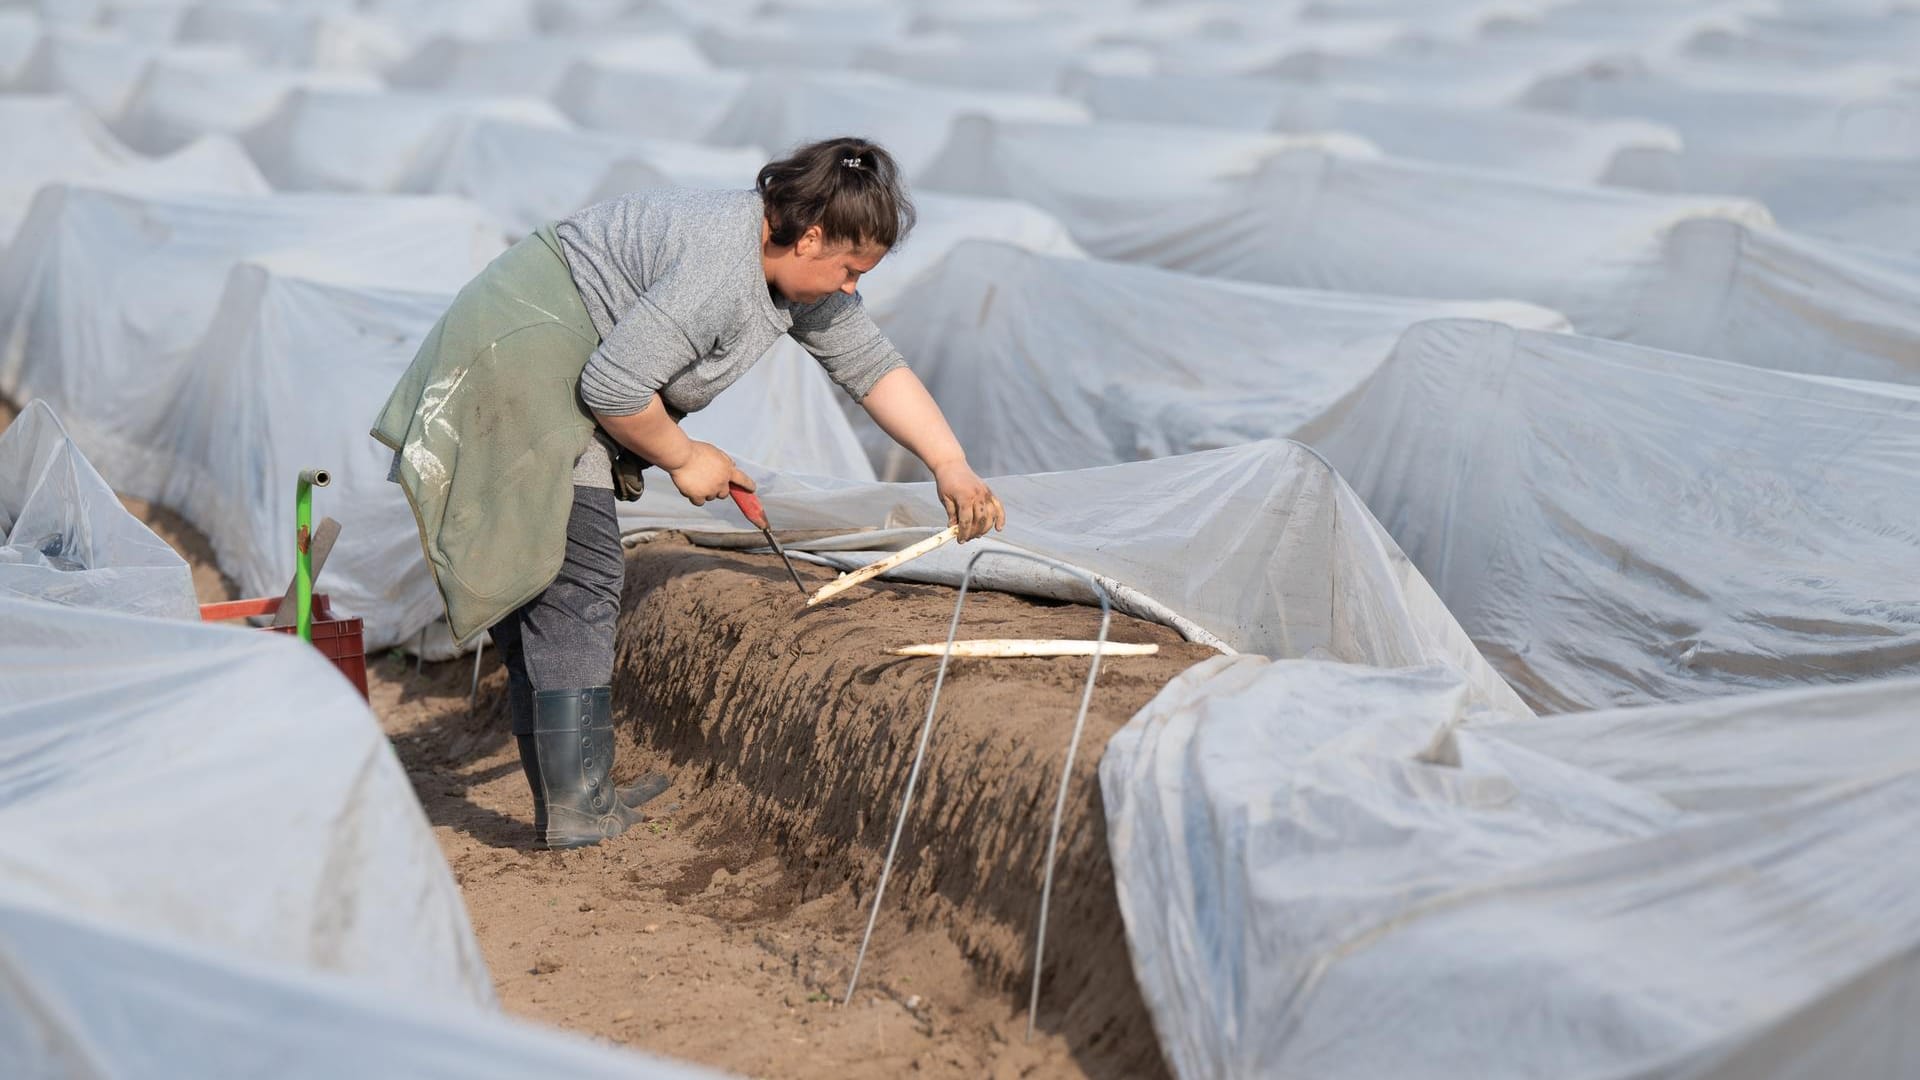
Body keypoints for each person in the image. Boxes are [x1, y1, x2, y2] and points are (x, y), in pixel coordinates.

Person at [373, 137, 1005, 850]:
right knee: (579, 575)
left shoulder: (793, 270)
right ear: (813, 237)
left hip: (549, 368)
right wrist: (684, 456)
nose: (852, 287)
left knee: (552, 582)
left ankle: (580, 788)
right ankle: (579, 802)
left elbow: (871, 365)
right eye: (850, 269)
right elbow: (612, 388)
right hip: (519, 362)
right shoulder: (720, 263)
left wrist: (950, 464)